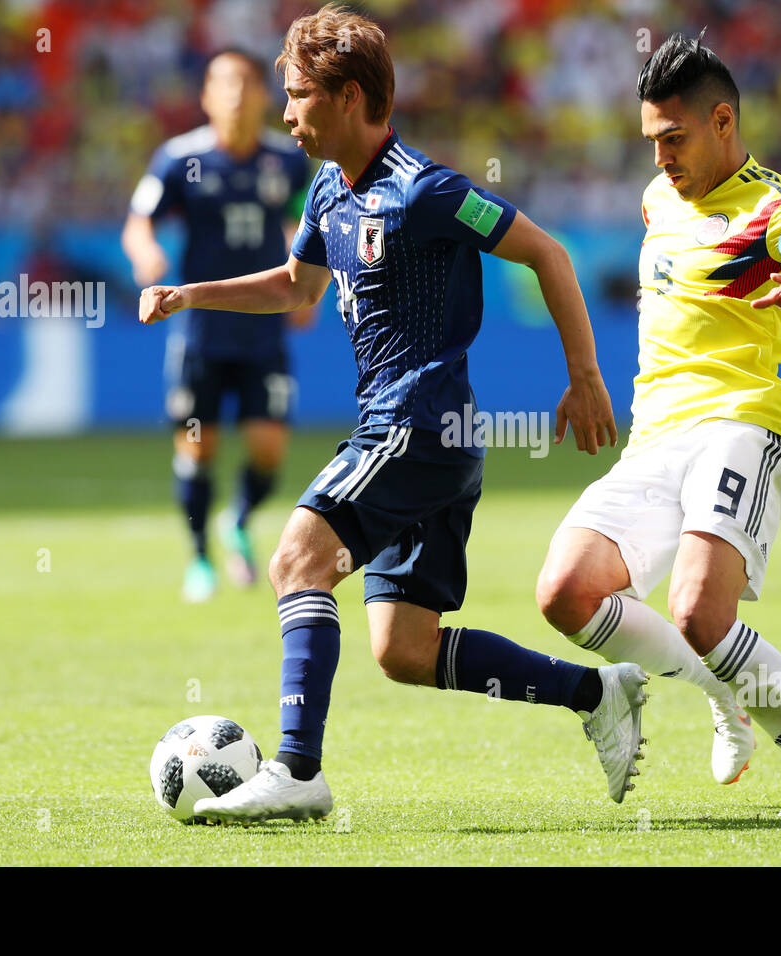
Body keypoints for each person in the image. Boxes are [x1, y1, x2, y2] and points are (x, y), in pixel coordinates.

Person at [138, 4, 644, 823]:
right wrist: (193, 292)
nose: (287, 113)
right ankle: (595, 691)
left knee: (298, 560)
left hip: (418, 421)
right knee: (404, 650)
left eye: (300, 95)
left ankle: (298, 770)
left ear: (348, 96)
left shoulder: (428, 191)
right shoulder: (328, 190)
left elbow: (546, 251)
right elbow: (296, 287)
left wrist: (584, 376)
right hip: (424, 437)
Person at [536, 32, 781, 816]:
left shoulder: (776, 205)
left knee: (697, 611)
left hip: (741, 423)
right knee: (566, 593)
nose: (660, 158)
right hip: (655, 437)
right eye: (651, 141)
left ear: (725, 122)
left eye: (674, 139)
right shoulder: (660, 199)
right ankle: (726, 697)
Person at [122, 48, 314, 603]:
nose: (235, 93)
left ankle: (239, 519)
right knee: (199, 448)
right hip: (201, 333)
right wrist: (146, 257)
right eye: (222, 82)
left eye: (247, 82)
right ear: (205, 95)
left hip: (263, 329)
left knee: (268, 448)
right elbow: (139, 222)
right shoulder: (180, 159)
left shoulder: (288, 160)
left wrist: (308, 287)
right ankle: (201, 556)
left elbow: (302, 223)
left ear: (263, 95)